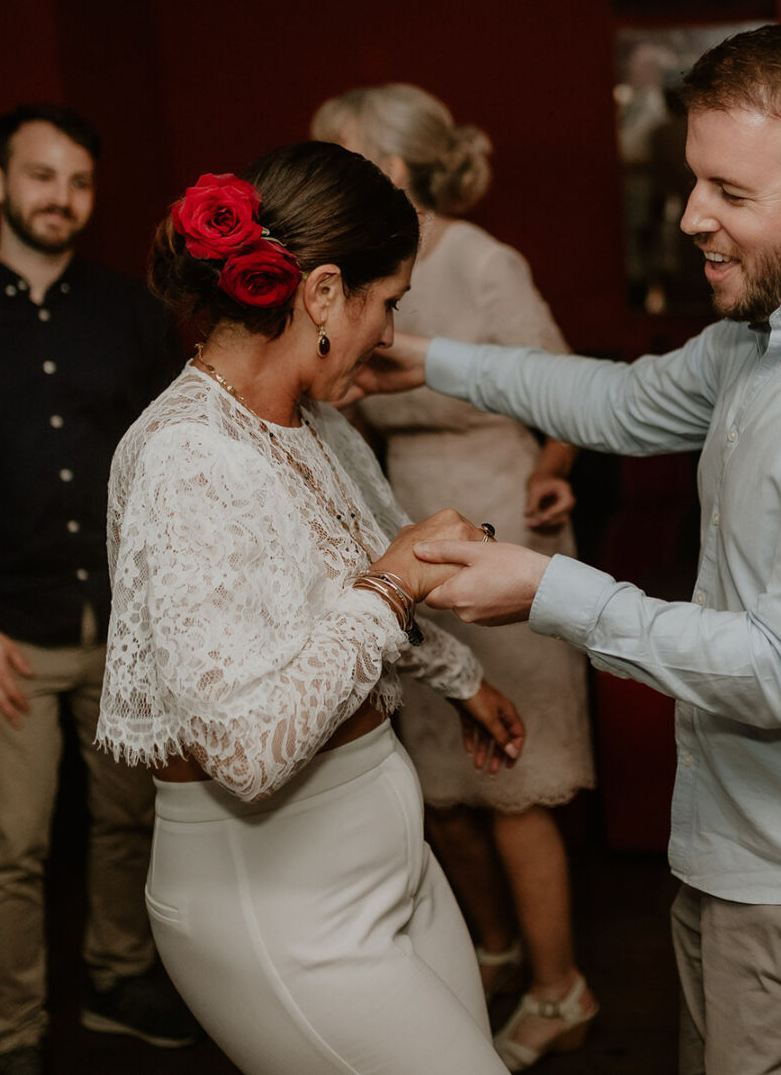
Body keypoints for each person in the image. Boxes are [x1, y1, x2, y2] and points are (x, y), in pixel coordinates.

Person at [353, 21, 781, 1075]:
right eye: (696, 182)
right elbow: (623, 397)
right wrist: (430, 359)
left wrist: (551, 588)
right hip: (743, 851)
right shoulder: (764, 331)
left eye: (732, 195)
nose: (694, 217)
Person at [96, 142, 529, 1075]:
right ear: (326, 293)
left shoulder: (314, 422)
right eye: (391, 303)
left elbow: (368, 567)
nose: (389, 332)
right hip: (279, 903)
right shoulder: (189, 458)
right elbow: (247, 748)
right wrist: (391, 585)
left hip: (386, 864)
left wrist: (460, 680)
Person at [0, 104, 195, 1075]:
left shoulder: (133, 314)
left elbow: (175, 464)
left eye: (80, 181)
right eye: (41, 175)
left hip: (125, 622)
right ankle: (9, 1033)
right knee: (11, 844)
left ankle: (116, 975)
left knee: (129, 816)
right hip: (4, 636)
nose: (61, 197)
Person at [311, 84, 598, 1071]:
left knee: (513, 786)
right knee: (439, 791)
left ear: (399, 165)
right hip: (402, 538)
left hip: (499, 519)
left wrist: (553, 475)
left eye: (343, 157)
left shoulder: (480, 261)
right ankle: (494, 947)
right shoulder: (344, 275)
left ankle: (563, 989)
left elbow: (567, 391)